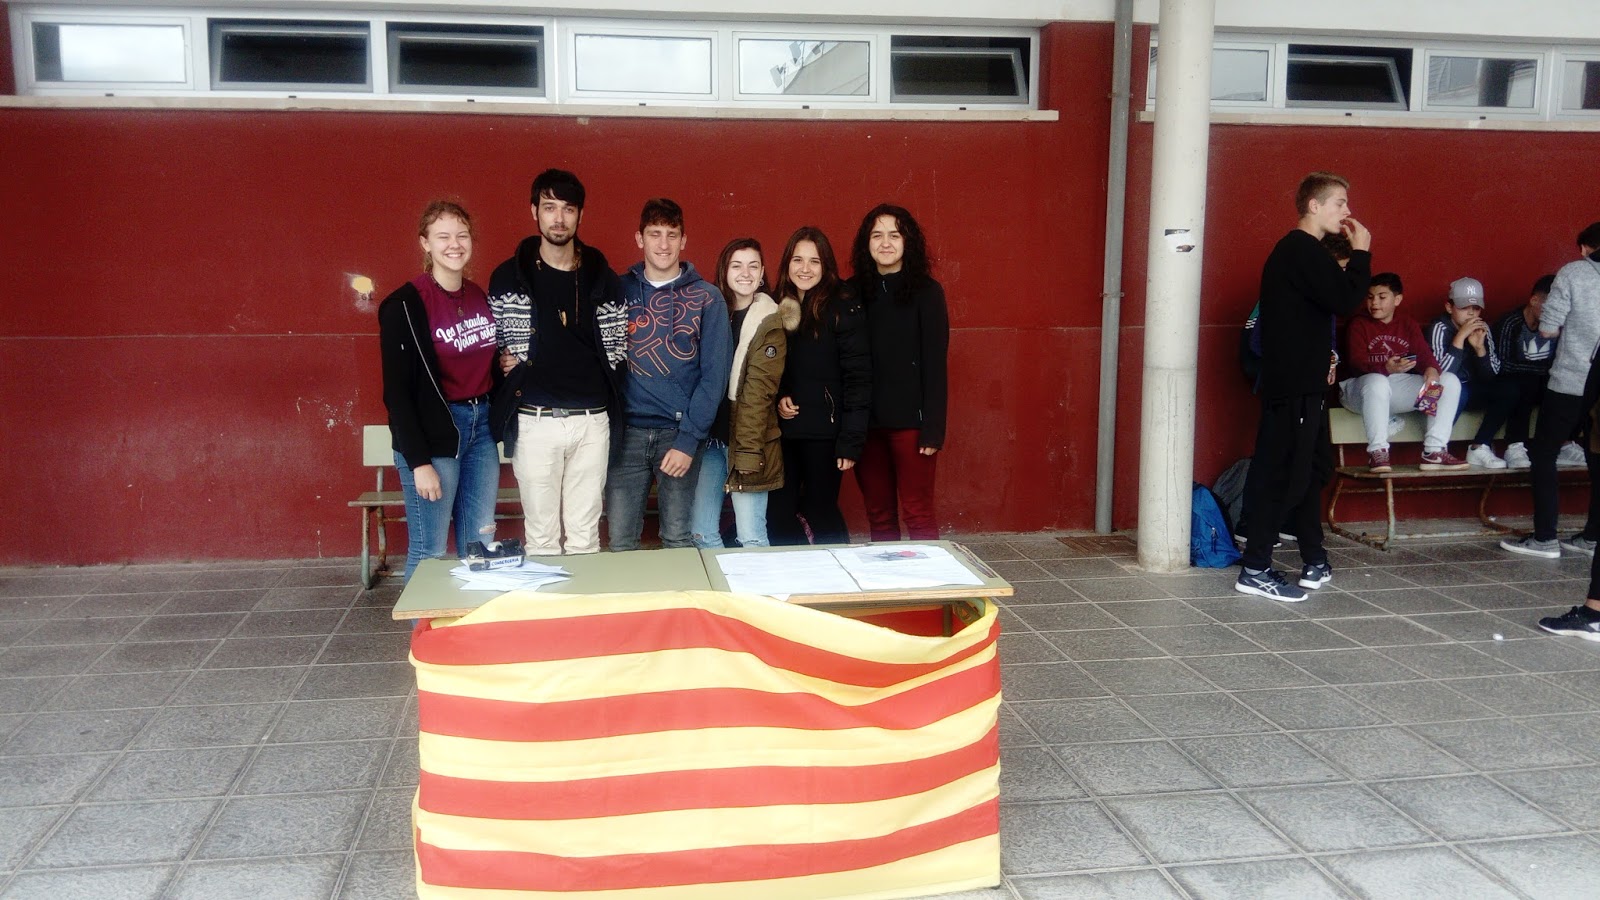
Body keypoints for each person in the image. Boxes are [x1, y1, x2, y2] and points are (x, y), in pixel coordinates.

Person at [1235, 172, 1371, 602]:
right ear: (1314, 205)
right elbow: (1346, 299)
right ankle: (1255, 568)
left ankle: (1314, 556)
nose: (1347, 211)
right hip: (1292, 386)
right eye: (1339, 203)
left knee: (1309, 471)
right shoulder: (1300, 249)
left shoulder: (1304, 253)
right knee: (1284, 476)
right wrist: (1362, 252)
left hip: (1303, 385)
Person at [486, 170, 627, 557]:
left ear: (581, 215)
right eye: (549, 208)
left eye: (568, 209)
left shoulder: (602, 278)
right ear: (534, 211)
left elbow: (618, 350)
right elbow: (493, 342)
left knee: (585, 539)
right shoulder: (509, 277)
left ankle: (585, 601)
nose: (559, 218)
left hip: (591, 423)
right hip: (535, 422)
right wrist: (506, 364)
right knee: (541, 539)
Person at [378, 200, 500, 582]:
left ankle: (468, 620)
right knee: (429, 551)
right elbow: (397, 394)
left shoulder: (479, 296)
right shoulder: (403, 305)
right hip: (434, 437)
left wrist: (507, 365)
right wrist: (419, 463)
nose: (454, 244)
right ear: (425, 243)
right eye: (443, 236)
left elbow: (485, 363)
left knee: (479, 546)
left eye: (462, 235)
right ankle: (417, 623)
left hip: (481, 431)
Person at [606, 199, 732, 551]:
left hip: (679, 434)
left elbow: (714, 379)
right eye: (654, 234)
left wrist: (688, 440)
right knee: (620, 541)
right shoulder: (617, 292)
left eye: (671, 235)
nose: (663, 244)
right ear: (639, 239)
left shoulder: (707, 298)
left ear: (683, 240)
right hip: (626, 436)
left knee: (678, 538)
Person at [849, 204, 950, 542]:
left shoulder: (927, 292)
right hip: (866, 424)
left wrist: (933, 429)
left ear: (908, 241)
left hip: (912, 426)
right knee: (879, 515)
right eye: (877, 235)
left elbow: (935, 363)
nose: (885, 243)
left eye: (894, 235)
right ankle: (888, 576)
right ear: (866, 243)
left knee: (918, 513)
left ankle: (930, 578)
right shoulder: (852, 292)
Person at [690, 239, 797, 549]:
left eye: (753, 266)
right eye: (737, 265)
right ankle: (720, 584)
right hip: (712, 439)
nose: (745, 273)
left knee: (751, 537)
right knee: (701, 533)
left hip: (747, 441)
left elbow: (758, 394)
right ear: (724, 271)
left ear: (762, 273)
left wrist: (749, 451)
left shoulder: (769, 322)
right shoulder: (712, 313)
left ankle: (755, 583)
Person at [1503, 221, 1600, 559]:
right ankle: (1593, 537)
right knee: (1597, 457)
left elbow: (1547, 328)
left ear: (1585, 248)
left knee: (1544, 453)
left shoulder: (1573, 272)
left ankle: (1545, 537)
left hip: (1572, 380)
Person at [769, 227, 871, 546]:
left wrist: (851, 441)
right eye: (797, 260)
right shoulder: (777, 304)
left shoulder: (842, 307)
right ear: (787, 263)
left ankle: (836, 571)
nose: (805, 268)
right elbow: (771, 366)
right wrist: (781, 396)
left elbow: (858, 377)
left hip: (825, 434)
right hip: (785, 433)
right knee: (779, 513)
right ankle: (792, 572)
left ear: (826, 266)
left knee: (821, 511)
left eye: (814, 261)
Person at [1340, 272, 1468, 474]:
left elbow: (1424, 355)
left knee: (1448, 380)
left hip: (1394, 391)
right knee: (1377, 381)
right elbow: (1356, 364)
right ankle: (1378, 451)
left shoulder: (1406, 323)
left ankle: (1434, 450)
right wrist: (1386, 368)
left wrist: (1431, 370)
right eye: (1370, 297)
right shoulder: (1359, 323)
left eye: (1382, 297)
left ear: (1397, 299)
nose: (1374, 303)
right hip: (1358, 392)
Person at [1424, 276, 1510, 468]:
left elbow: (1492, 375)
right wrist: (1460, 338)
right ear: (1449, 307)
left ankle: (1480, 446)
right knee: (1456, 387)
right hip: (1434, 396)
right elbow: (1440, 377)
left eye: (1476, 308)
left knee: (1507, 389)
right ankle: (1436, 449)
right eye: (1464, 307)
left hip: (1470, 391)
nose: (1471, 313)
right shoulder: (1439, 327)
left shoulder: (1482, 328)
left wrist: (1480, 349)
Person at [1490, 274, 1559, 470]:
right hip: (1509, 383)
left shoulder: (1558, 326)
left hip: (1540, 380)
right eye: (1550, 307)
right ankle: (1515, 446)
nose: (1554, 314)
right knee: (1525, 384)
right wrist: (1541, 370)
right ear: (1534, 300)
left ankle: (1561, 444)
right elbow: (1504, 365)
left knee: (1566, 388)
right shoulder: (1511, 323)